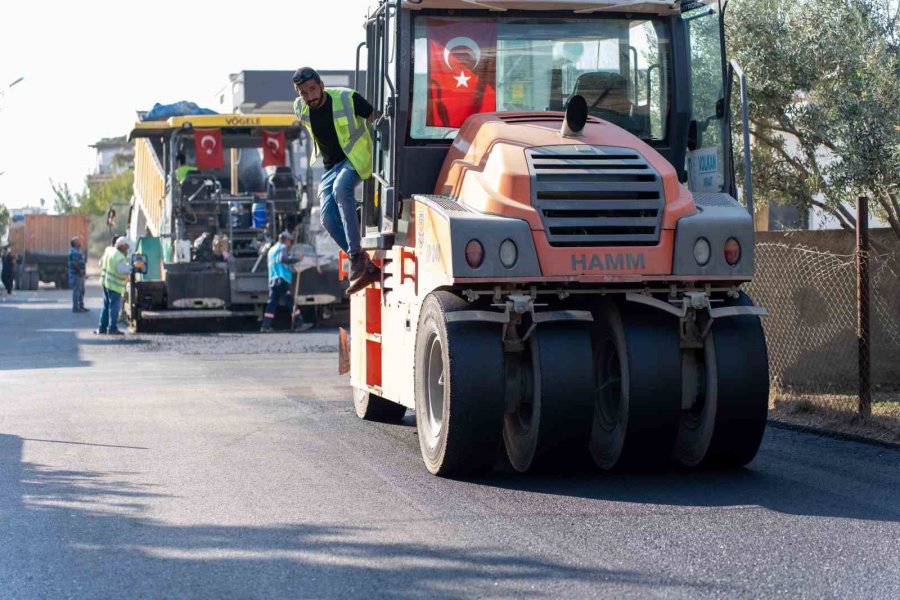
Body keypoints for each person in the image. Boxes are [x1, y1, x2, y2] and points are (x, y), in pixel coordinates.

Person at [292, 66, 381, 296]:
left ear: (322, 85)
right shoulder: (300, 108)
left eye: (313, 89)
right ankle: (369, 268)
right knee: (328, 219)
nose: (310, 96)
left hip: (356, 158)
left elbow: (379, 120)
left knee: (342, 189)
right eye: (303, 93)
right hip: (330, 167)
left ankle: (355, 256)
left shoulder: (348, 98)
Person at [260, 231, 312, 333]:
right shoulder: (282, 248)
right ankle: (299, 323)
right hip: (281, 279)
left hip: (273, 279)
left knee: (272, 303)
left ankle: (265, 326)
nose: (290, 243)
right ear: (286, 240)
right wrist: (297, 259)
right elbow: (283, 259)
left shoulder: (272, 249)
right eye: (290, 241)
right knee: (290, 301)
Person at [95, 237, 131, 336]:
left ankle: (102, 328)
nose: (127, 248)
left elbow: (100, 263)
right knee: (114, 307)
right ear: (122, 246)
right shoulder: (119, 256)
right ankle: (112, 328)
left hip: (105, 283)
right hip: (114, 286)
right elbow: (121, 270)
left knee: (106, 306)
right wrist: (132, 267)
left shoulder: (109, 251)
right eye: (126, 246)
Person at [68, 236, 87, 312]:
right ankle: (76, 307)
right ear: (75, 243)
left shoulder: (77, 251)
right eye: (79, 241)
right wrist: (79, 272)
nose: (80, 243)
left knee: (81, 291)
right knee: (77, 291)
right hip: (76, 274)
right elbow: (76, 263)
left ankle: (81, 306)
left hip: (80, 274)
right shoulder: (74, 252)